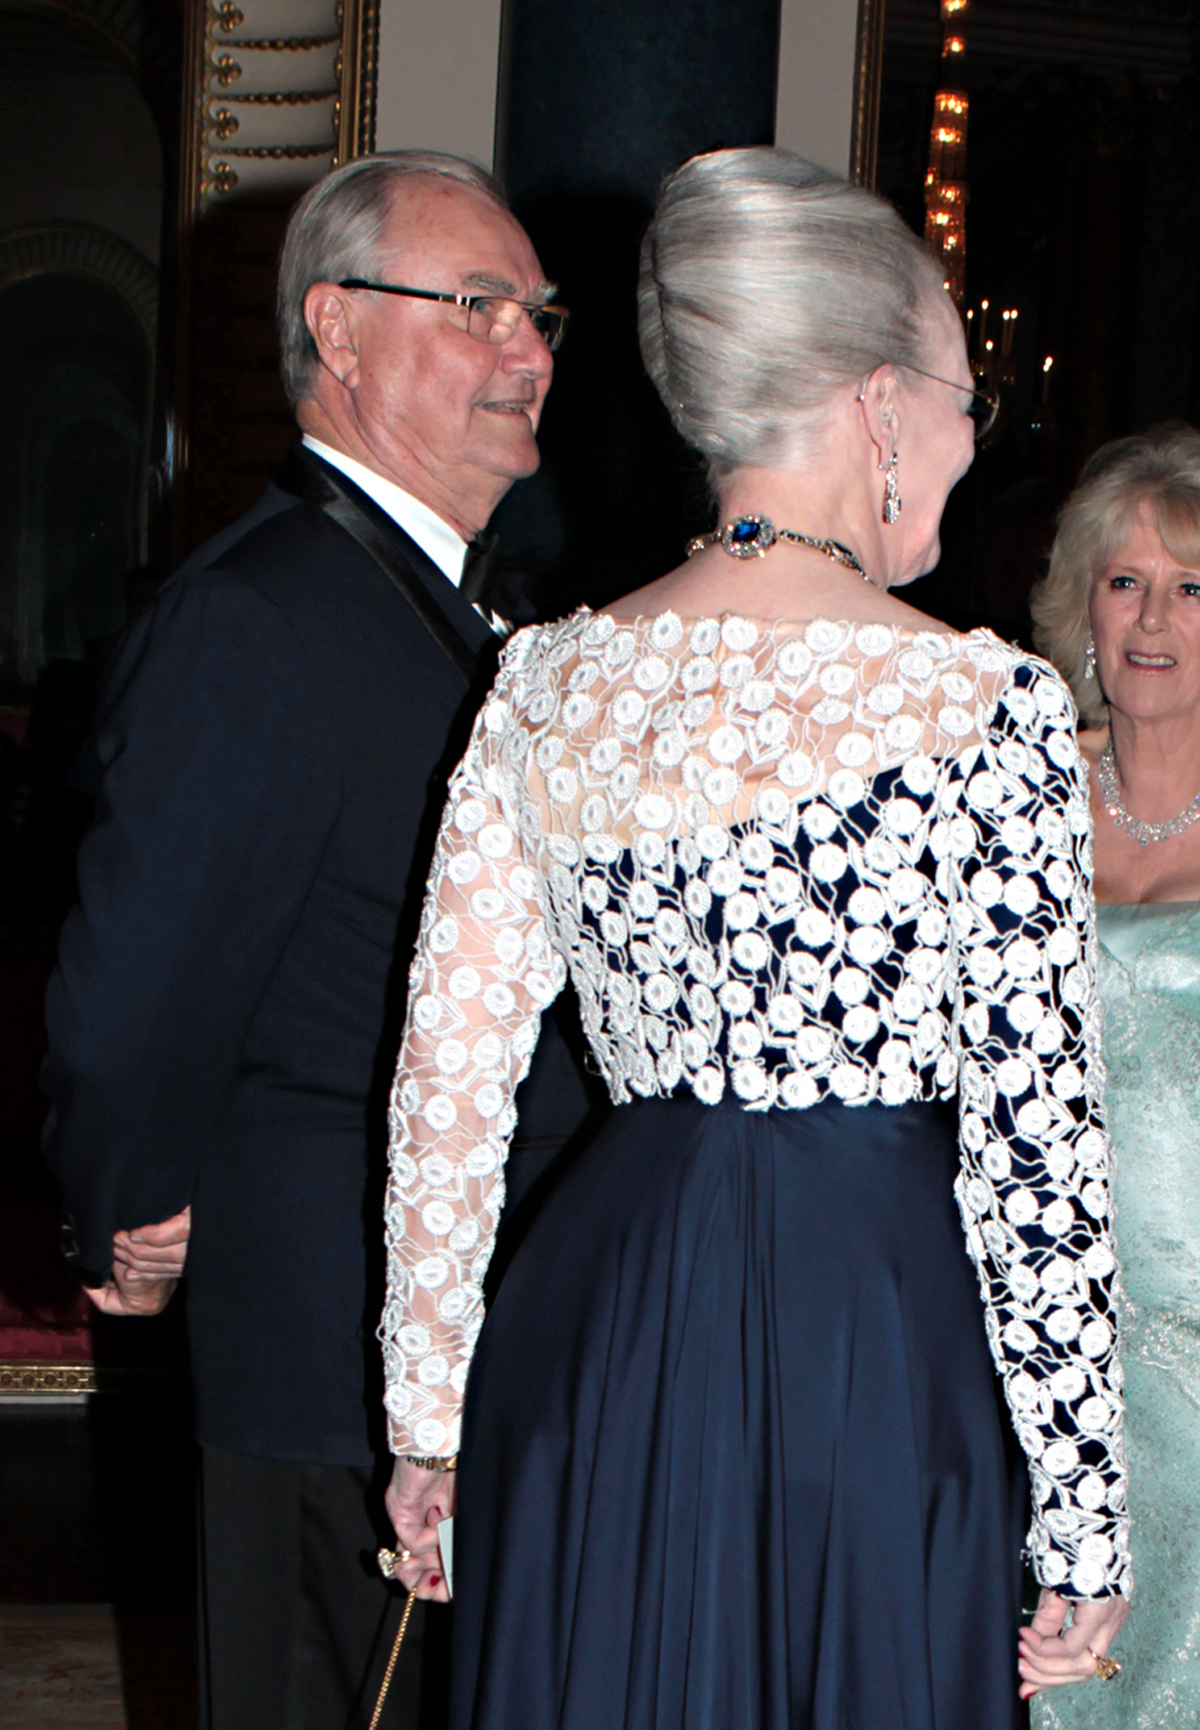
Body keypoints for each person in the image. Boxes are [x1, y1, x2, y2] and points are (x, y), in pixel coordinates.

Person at [379, 146, 1131, 1730]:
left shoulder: (549, 685)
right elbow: (1033, 1148)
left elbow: (448, 1091)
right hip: (869, 1328)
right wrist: (1082, 1512)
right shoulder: (981, 709)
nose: (962, 438)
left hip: (604, 1318)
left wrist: (427, 1424)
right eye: (958, 398)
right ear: (875, 403)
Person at [41, 150, 594, 1730]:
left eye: (537, 312)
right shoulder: (257, 617)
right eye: (479, 306)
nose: (532, 349)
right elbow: (134, 989)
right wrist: (125, 1203)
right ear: (337, 332)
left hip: (465, 1321)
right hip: (327, 1344)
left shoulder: (449, 607)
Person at [1025, 424, 1200, 1720]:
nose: (1153, 617)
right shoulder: (1017, 796)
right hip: (1032, 1328)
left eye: (1192, 586)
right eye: (1126, 578)